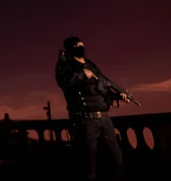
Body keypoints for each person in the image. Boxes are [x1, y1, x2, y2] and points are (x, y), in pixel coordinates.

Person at [56, 37, 130, 180]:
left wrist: (118, 96)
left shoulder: (91, 65)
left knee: (117, 161)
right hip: (86, 120)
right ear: (70, 48)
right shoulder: (66, 65)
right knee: (89, 164)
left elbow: (101, 87)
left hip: (104, 119)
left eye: (82, 45)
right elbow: (63, 81)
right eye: (77, 45)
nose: (81, 47)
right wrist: (81, 74)